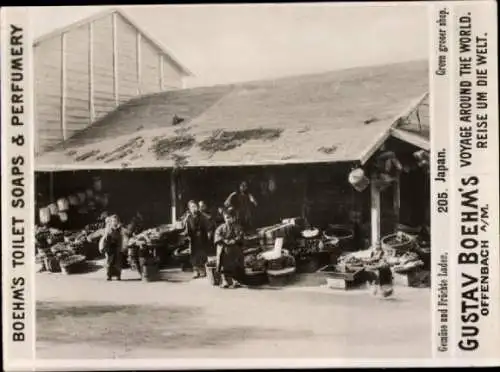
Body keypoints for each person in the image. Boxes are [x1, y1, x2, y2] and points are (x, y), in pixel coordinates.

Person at [214, 208, 245, 288]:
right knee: (224, 266)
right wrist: (224, 240)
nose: (228, 219)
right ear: (224, 218)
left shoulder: (237, 227)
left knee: (235, 265)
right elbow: (217, 235)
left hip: (234, 249)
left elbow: (240, 235)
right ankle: (224, 281)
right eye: (226, 217)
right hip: (224, 249)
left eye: (230, 217)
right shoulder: (221, 227)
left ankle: (235, 280)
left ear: (233, 218)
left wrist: (234, 240)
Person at [184, 200, 212, 279]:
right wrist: (187, 235)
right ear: (189, 209)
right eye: (192, 207)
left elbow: (208, 226)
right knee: (194, 254)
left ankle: (202, 269)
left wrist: (209, 234)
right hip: (193, 238)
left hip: (202, 237)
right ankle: (196, 270)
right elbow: (187, 228)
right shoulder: (188, 217)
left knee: (202, 253)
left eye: (195, 206)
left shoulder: (202, 216)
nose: (194, 208)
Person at [99, 214, 127, 281]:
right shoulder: (108, 229)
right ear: (111, 222)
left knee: (118, 262)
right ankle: (109, 275)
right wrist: (102, 247)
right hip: (110, 248)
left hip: (118, 247)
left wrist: (124, 246)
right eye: (113, 221)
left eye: (116, 221)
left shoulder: (121, 229)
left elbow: (125, 237)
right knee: (109, 261)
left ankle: (118, 275)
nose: (114, 222)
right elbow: (104, 239)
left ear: (118, 221)